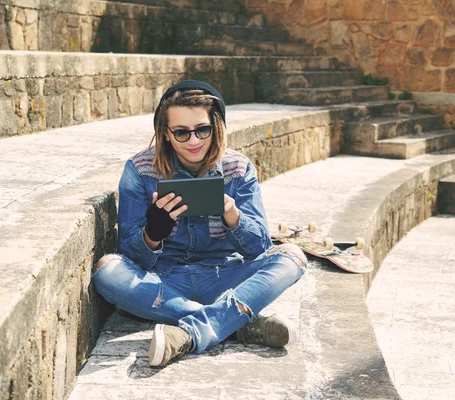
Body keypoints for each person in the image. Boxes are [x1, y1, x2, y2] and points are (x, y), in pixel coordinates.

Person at [91, 80, 307, 368]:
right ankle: (236, 324)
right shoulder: (140, 170)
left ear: (216, 126)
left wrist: (233, 217)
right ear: (165, 134)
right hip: (165, 280)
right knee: (107, 270)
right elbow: (130, 256)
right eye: (181, 132)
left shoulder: (238, 169)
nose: (193, 141)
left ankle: (192, 331)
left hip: (225, 275)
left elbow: (259, 249)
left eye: (201, 130)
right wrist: (153, 233)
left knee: (292, 257)